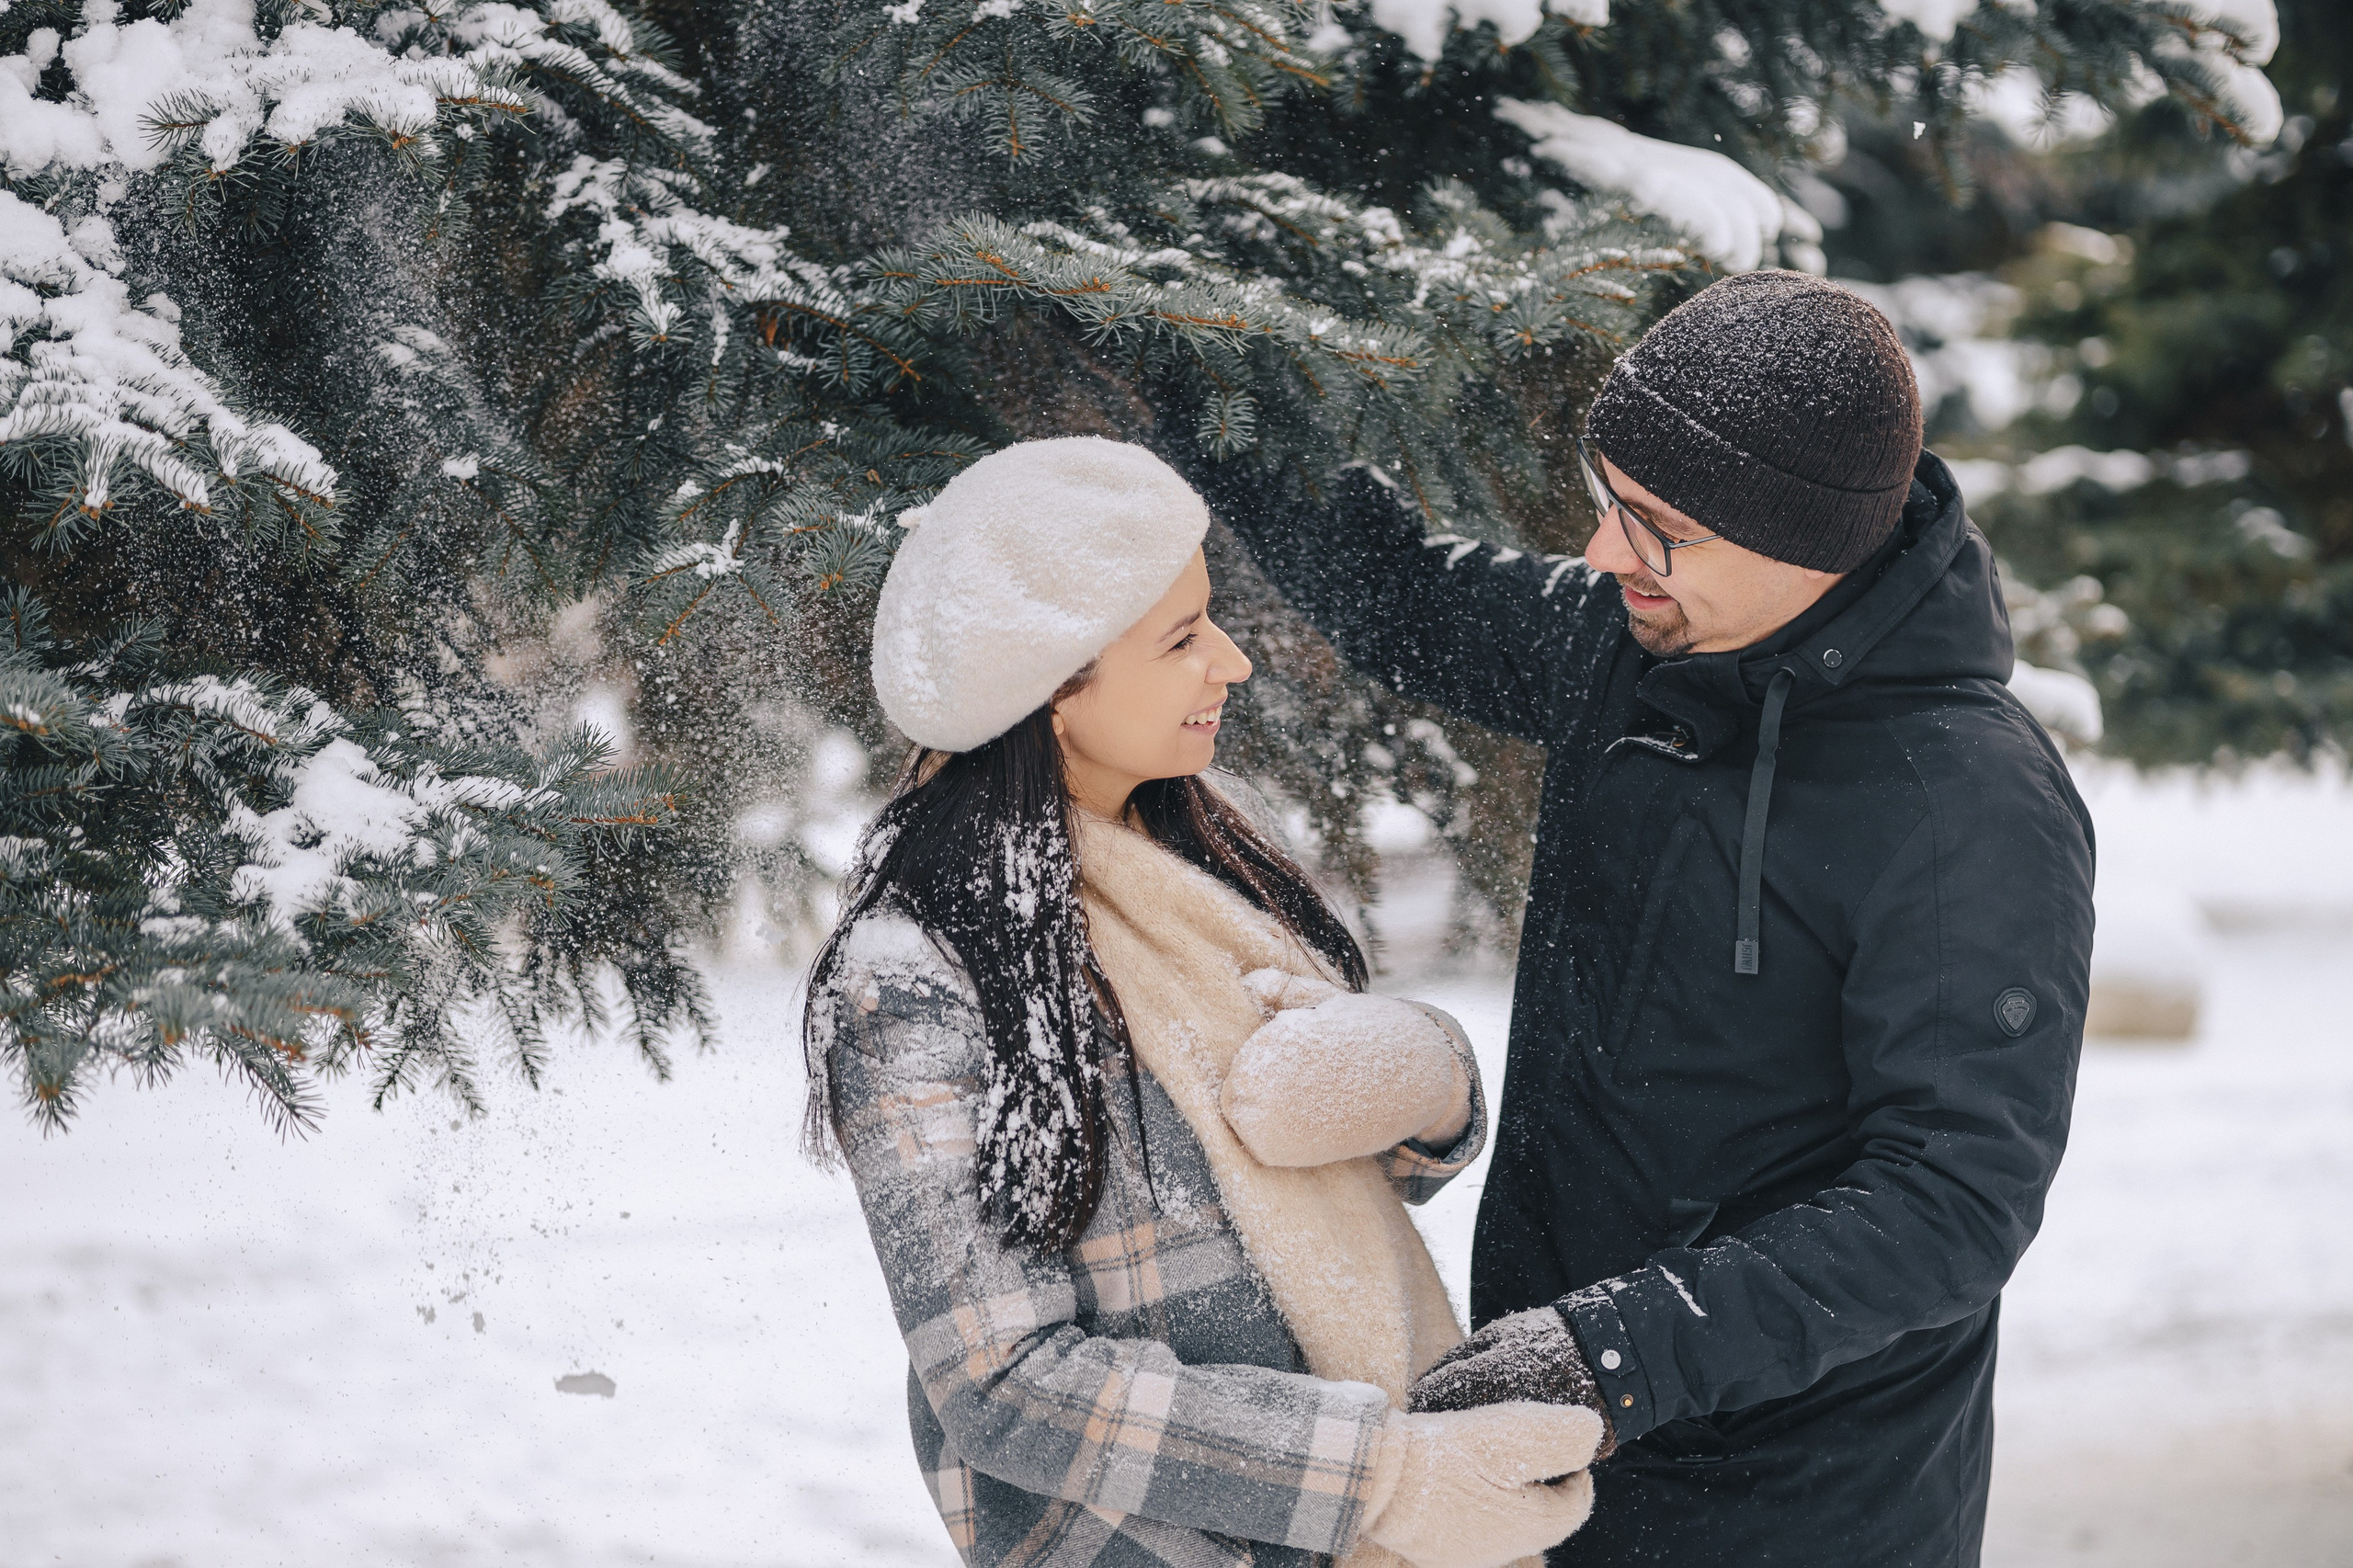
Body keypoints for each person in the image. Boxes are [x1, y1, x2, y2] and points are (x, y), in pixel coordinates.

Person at [1188, 271, 2097, 1565]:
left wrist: (1621, 1352)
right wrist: (1188, 362)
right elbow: (1394, 594)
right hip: (1562, 1460)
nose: (1608, 553)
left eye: (1657, 524)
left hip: (1802, 1505)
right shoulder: (1632, 648)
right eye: (1607, 500)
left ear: (1807, 544)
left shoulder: (1964, 802)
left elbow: (1953, 1197)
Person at [804, 436, 1605, 1568]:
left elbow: (1332, 1194)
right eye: (1182, 637)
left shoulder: (1203, 860)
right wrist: (1380, 1476)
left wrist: (1427, 1083)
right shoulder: (915, 976)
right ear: (1053, 687)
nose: (1230, 661)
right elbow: (1001, 1380)